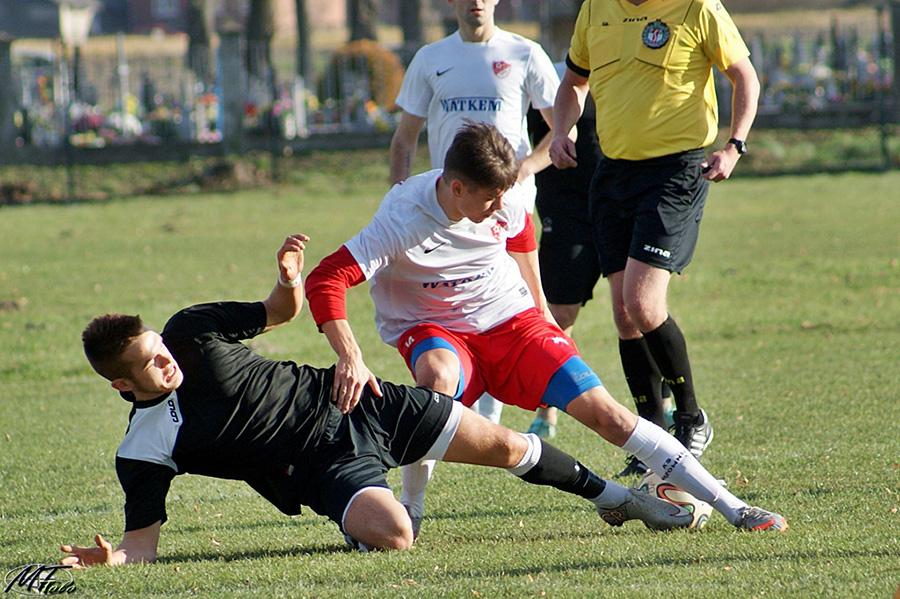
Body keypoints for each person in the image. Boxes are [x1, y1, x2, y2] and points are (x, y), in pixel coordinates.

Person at [60, 234, 695, 568]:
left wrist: (287, 282)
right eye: (149, 363)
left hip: (358, 401)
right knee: (395, 538)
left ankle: (623, 501)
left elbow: (280, 312)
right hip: (321, 470)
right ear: (122, 384)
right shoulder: (143, 447)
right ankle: (362, 522)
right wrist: (114, 559)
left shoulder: (190, 328)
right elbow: (143, 543)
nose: (164, 358)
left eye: (157, 347)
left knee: (506, 447)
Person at [305, 122, 787, 537]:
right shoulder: (404, 214)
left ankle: (734, 508)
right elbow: (327, 278)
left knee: (608, 415)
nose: (499, 205)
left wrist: (542, 312)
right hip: (433, 326)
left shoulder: (506, 195)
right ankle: (413, 506)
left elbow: (521, 235)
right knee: (437, 380)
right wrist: (350, 355)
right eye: (489, 197)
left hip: (510, 320)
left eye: (503, 194)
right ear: (456, 188)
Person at [549, 0, 762, 471]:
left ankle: (691, 417)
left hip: (675, 170)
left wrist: (734, 146)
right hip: (612, 173)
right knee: (625, 316)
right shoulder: (595, 9)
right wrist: (562, 130)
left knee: (644, 305)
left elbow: (744, 76)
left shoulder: (697, 7)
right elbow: (573, 83)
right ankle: (652, 438)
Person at [389, 0, 562, 426]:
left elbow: (562, 126)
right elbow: (404, 140)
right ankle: (463, 399)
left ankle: (496, 414)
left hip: (509, 205)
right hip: (448, 207)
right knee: (456, 301)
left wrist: (524, 170)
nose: (477, 1)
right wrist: (398, 198)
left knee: (512, 302)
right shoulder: (430, 59)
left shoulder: (524, 52)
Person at [526, 66, 674, 473]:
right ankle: (548, 411)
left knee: (632, 312)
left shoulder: (619, 71)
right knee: (557, 317)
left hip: (615, 209)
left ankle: (661, 408)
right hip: (566, 215)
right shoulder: (543, 79)